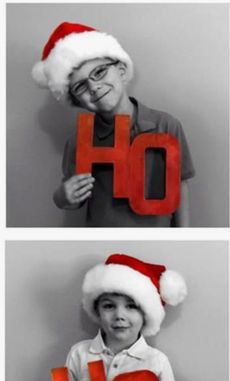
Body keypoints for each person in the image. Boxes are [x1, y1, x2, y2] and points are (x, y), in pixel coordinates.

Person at [32, 22, 195, 227]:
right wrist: (62, 196)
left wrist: (183, 235)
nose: (94, 87)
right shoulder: (77, 142)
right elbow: (71, 198)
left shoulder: (166, 125)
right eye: (81, 86)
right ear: (75, 100)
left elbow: (180, 185)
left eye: (99, 72)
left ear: (121, 70)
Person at [45, 253, 187, 381]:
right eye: (109, 306)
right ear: (97, 311)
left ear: (147, 314)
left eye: (131, 306)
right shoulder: (80, 353)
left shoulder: (155, 360)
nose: (119, 315)